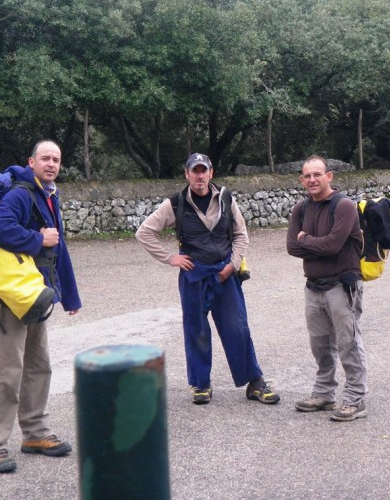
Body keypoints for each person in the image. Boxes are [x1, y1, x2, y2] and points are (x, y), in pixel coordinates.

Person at [135, 153, 279, 406]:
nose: (199, 175)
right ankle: (201, 384)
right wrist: (170, 258)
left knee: (237, 327)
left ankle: (255, 382)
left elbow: (241, 234)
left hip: (225, 276)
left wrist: (233, 264)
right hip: (194, 278)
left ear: (211, 173)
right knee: (196, 330)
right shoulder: (176, 204)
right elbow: (144, 232)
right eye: (195, 171)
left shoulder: (226, 198)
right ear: (187, 174)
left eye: (204, 170)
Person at [0, 140, 82, 473]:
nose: (51, 164)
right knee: (7, 369)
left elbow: (58, 248)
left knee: (39, 364)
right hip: (11, 293)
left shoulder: (48, 195)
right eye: (45, 158)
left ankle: (35, 433)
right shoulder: (21, 194)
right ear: (31, 162)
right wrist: (38, 239)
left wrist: (69, 296)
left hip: (35, 292)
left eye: (56, 159)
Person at [286, 154, 367, 422]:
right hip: (313, 287)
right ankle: (324, 393)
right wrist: (315, 243)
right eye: (307, 176)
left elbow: (333, 246)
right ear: (302, 180)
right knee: (319, 344)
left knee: (348, 343)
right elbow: (291, 247)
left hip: (342, 286)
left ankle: (355, 399)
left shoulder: (344, 206)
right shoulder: (300, 209)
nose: (312, 180)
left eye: (317, 175)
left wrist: (306, 239)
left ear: (329, 176)